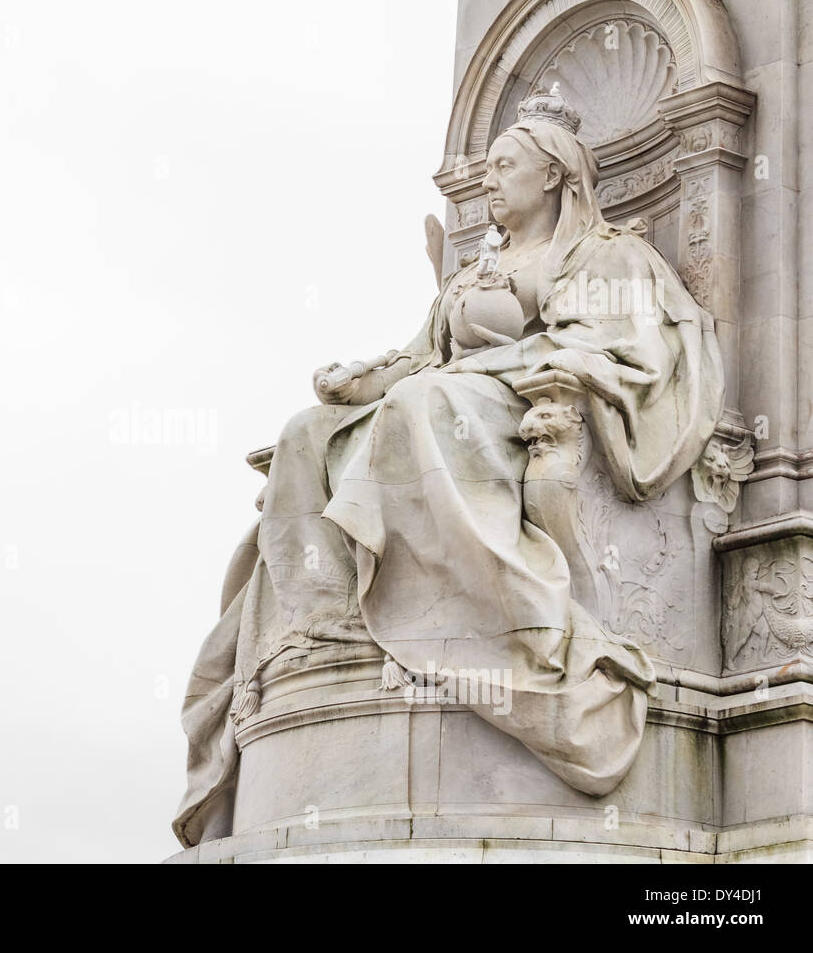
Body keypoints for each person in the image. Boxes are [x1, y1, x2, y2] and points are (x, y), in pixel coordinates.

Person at [173, 87, 724, 849]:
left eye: (506, 165)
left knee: (424, 408)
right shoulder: (477, 269)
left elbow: (628, 352)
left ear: (554, 175)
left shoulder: (606, 255)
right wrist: (357, 381)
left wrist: (494, 367)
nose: (488, 180)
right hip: (452, 403)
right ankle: (324, 622)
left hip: (517, 409)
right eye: (487, 166)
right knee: (307, 434)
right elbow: (418, 358)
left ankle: (514, 619)